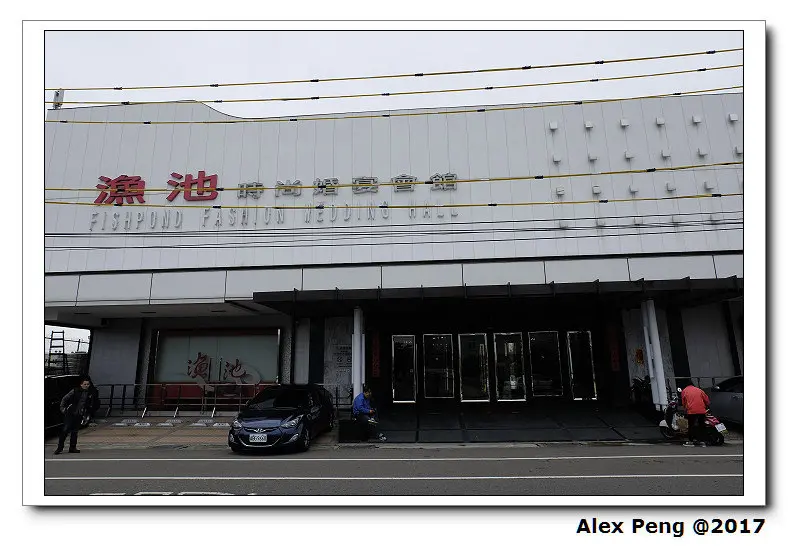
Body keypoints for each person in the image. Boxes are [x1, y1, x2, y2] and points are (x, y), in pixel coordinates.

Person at [54, 375, 98, 454]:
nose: (86, 386)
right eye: (85, 384)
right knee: (65, 430)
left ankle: (72, 447)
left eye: (88, 384)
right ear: (81, 384)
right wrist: (63, 408)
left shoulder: (89, 393)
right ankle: (60, 448)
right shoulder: (75, 390)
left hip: (80, 414)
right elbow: (65, 398)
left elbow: (91, 403)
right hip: (70, 412)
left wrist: (88, 411)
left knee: (75, 431)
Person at [680, 381, 710, 447]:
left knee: (691, 426)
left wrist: (685, 409)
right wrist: (706, 406)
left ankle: (691, 441)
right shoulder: (699, 390)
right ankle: (702, 442)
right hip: (702, 411)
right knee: (702, 426)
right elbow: (707, 400)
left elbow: (684, 402)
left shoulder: (684, 391)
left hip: (691, 411)